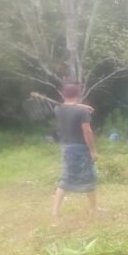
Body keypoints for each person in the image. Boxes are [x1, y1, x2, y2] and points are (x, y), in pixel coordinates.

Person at [52, 82, 98, 219]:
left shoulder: (58, 109)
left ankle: (55, 211)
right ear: (78, 94)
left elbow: (69, 106)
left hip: (66, 147)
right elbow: (87, 132)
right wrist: (93, 151)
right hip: (81, 148)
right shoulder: (81, 112)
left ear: (63, 94)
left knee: (66, 179)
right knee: (89, 178)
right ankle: (93, 209)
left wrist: (82, 106)